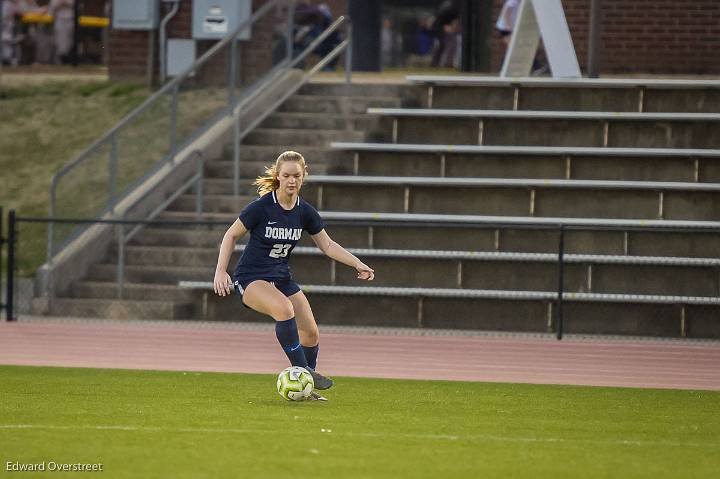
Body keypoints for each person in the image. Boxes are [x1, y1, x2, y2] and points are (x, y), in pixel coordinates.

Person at [213, 151, 375, 400]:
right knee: (284, 309)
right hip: (251, 278)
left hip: (282, 278)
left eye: (296, 175)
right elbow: (230, 235)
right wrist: (220, 270)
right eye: (286, 175)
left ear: (303, 176)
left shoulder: (305, 212)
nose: (291, 180)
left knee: (311, 333)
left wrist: (357, 263)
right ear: (278, 176)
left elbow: (328, 245)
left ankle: (306, 390)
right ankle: (305, 371)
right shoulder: (261, 207)